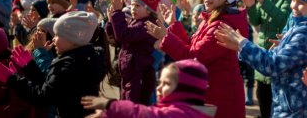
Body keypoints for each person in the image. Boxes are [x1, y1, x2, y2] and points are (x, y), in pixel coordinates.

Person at [214, 0, 307, 117]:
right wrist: (285, 45)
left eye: (302, 3)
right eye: (293, 0)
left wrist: (242, 43)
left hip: (297, 111)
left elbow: (272, 64)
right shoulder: (305, 26)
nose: (294, 6)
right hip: (296, 107)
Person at [145, 0, 248, 118]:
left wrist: (165, 37)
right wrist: (174, 24)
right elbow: (192, 46)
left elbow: (193, 58)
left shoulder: (222, 26)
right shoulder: (211, 20)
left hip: (222, 96)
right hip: (212, 91)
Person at [0, 11, 106, 118]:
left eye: (57, 35)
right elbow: (50, 86)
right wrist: (30, 66)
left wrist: (12, 79)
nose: (53, 39)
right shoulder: (83, 59)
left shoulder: (68, 66)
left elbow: (43, 98)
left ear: (72, 40)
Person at [240, 0, 297, 118]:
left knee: (276, 103)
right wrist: (251, 7)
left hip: (278, 55)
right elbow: (256, 20)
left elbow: (283, 20)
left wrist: (264, 2)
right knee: (262, 98)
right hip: (263, 51)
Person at [81, 59, 216, 118]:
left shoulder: (181, 114)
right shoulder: (175, 110)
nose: (159, 88)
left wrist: (110, 105)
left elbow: (145, 115)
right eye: (160, 82)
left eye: (167, 84)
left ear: (186, 90)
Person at [105, 0, 161, 104]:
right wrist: (111, 22)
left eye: (137, 6)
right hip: (130, 74)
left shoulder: (147, 25)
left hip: (140, 76)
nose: (133, 8)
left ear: (148, 10)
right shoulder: (135, 22)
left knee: (134, 107)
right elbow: (117, 39)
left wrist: (117, 13)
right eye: (132, 5)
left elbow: (124, 35)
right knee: (126, 106)